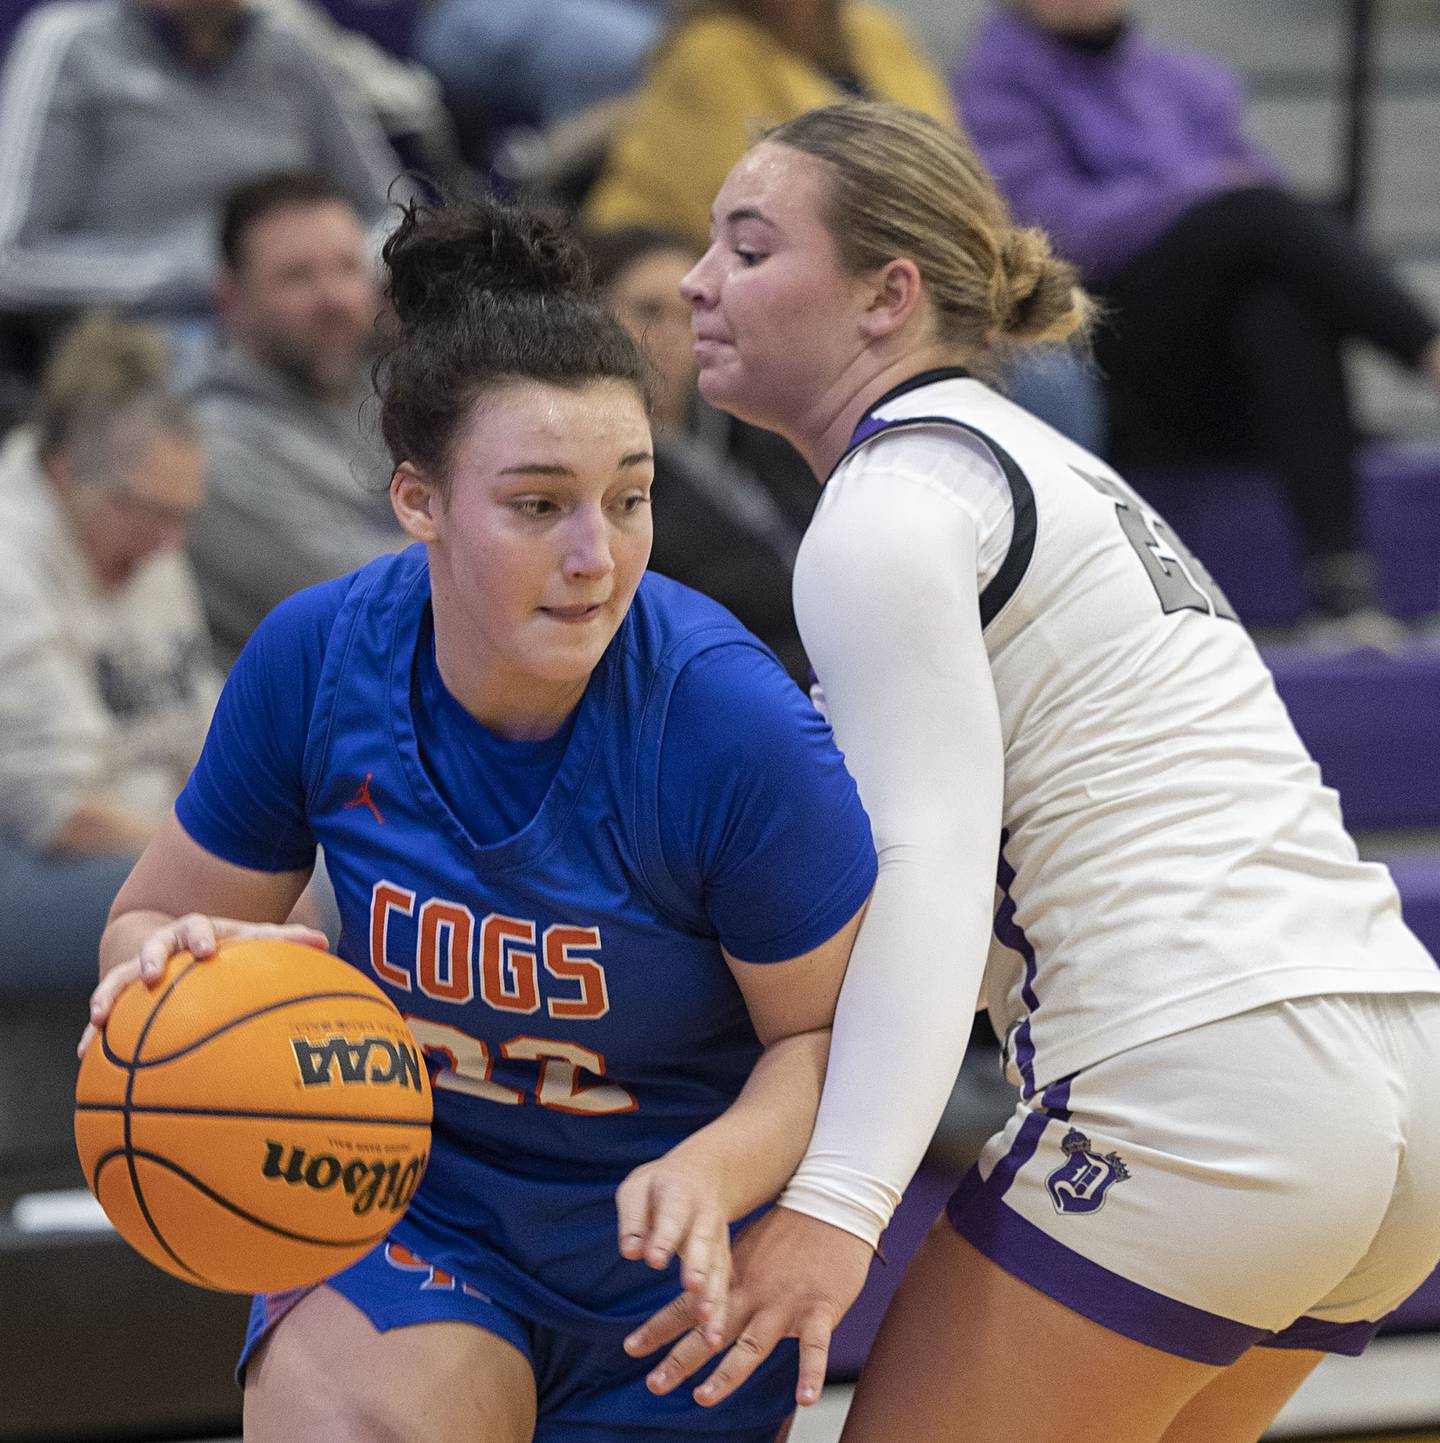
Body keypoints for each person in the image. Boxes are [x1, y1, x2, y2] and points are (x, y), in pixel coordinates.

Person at [619, 100, 1440, 1442]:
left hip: (1208, 1077)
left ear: (888, 296)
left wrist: (838, 1199)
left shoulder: (890, 506)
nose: (701, 283)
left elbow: (932, 869)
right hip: (1396, 1060)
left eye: (750, 249)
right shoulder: (1047, 467)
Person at [80, 193, 877, 1443]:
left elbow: (831, 1037)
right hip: (409, 1217)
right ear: (421, 500)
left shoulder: (727, 721)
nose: (595, 555)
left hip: (673, 1272)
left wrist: (714, 1170)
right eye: (539, 504)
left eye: (629, 498)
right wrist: (172, 970)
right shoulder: (317, 658)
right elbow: (144, 926)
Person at [954, 0, 1440, 629]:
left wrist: (1205, 199)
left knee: (1279, 310)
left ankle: (1342, 584)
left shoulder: (1179, 79)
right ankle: (1425, 347)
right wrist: (1194, 194)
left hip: (1215, 363)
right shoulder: (990, 89)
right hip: (1100, 341)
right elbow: (1053, 232)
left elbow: (1265, 208)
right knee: (1249, 217)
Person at [0, 312, 218, 994]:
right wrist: (218, 861)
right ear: (65, 474)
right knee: (299, 896)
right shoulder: (11, 563)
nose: (171, 543)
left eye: (183, 514)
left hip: (141, 825)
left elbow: (203, 727)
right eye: (154, 514)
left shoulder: (140, 532)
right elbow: (61, 810)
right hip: (36, 855)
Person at [0, 0, 400, 324]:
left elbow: (393, 213)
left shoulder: (293, 47)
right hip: (145, 345)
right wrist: (185, 280)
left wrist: (337, 270)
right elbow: (11, 259)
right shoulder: (70, 44)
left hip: (306, 334)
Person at [188, 171, 405, 668]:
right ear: (230, 299)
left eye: (347, 268)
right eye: (297, 276)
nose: (334, 299)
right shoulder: (209, 448)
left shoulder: (395, 393)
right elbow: (379, 607)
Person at [585, 225, 813, 681]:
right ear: (593, 314)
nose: (672, 335)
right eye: (649, 311)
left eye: (688, 314)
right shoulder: (598, 475)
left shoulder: (754, 424)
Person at [583, 0, 953, 255]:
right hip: (674, 277)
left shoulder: (876, 32)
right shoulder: (709, 50)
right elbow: (751, 215)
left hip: (881, 260)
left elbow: (950, 159)